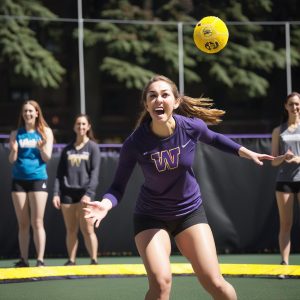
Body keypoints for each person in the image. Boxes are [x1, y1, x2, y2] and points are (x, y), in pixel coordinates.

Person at [84, 75, 274, 300]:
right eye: (152, 96)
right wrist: (105, 205)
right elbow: (117, 187)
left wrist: (246, 152)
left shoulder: (190, 127)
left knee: (215, 282)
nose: (158, 100)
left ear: (175, 102)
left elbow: (215, 138)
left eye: (165, 95)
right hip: (151, 217)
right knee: (161, 283)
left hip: (189, 213)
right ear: (146, 104)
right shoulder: (135, 143)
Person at [9, 100, 54, 267]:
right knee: (22, 223)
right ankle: (24, 259)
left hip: (38, 179)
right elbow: (11, 160)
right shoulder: (15, 134)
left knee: (37, 222)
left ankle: (40, 260)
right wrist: (13, 150)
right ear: (22, 114)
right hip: (18, 180)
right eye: (25, 111)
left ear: (37, 113)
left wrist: (42, 147)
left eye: (31, 111)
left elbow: (47, 157)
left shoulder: (45, 132)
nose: (27, 114)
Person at [52, 114, 100, 265]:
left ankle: (94, 260)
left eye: (84, 124)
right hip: (67, 194)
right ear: (74, 127)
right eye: (78, 124)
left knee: (88, 230)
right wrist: (55, 193)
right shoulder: (67, 149)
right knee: (71, 230)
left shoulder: (93, 147)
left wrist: (89, 194)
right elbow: (59, 174)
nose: (81, 127)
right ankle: (71, 260)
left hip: (85, 194)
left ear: (88, 127)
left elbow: (95, 173)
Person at [271, 92, 300, 269]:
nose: (295, 107)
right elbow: (273, 160)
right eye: (291, 104)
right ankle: (284, 264)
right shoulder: (278, 131)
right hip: (284, 182)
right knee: (285, 223)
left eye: (297, 104)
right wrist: (284, 157)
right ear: (286, 106)